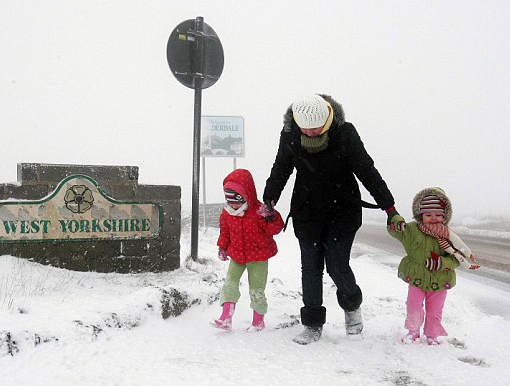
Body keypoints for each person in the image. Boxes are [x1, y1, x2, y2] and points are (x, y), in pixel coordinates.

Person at [263, 94, 397, 344]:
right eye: (306, 128)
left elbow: (367, 170)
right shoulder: (290, 134)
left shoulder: (344, 134)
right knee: (310, 270)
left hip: (342, 211)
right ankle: (312, 324)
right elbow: (281, 167)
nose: (311, 133)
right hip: (306, 212)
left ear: (327, 119)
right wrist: (269, 197)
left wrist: (388, 207)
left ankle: (351, 305)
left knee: (337, 266)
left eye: (316, 128)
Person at [387, 187, 480, 345]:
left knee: (435, 311)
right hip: (417, 277)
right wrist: (396, 222)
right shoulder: (411, 230)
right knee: (413, 306)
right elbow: (395, 230)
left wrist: (442, 263)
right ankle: (413, 332)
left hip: (440, 280)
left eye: (438, 215)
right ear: (420, 214)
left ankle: (432, 335)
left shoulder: (449, 235)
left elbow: (457, 258)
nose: (433, 218)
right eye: (428, 214)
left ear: (444, 216)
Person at [212, 168, 284, 332]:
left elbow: (276, 229)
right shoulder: (227, 213)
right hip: (237, 255)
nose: (233, 205)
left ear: (246, 195)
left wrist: (271, 216)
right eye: (230, 201)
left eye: (237, 201)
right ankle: (226, 317)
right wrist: (222, 247)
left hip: (258, 257)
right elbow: (225, 232)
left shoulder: (260, 211)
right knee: (229, 284)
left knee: (256, 289)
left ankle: (258, 321)